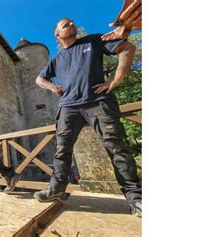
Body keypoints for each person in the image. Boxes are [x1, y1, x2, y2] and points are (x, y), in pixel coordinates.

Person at [34, 18, 142, 217]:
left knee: (116, 146)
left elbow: (127, 48)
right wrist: (53, 87)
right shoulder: (57, 59)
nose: (72, 24)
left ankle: (136, 198)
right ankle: (57, 189)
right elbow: (39, 79)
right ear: (57, 34)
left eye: (73, 23)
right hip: (68, 107)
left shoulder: (93, 40)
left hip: (98, 101)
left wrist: (114, 80)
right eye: (66, 24)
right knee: (62, 149)